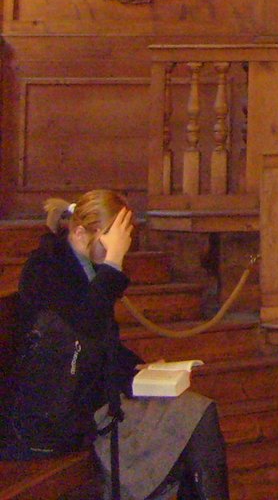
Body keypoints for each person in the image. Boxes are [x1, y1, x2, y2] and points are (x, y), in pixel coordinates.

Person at [0, 190, 229, 499]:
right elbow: (84, 332)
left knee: (197, 412)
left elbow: (103, 345)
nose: (120, 249)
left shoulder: (89, 267)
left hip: (92, 400)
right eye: (113, 239)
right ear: (80, 233)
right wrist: (113, 265)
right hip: (55, 420)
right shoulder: (46, 270)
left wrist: (137, 368)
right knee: (189, 424)